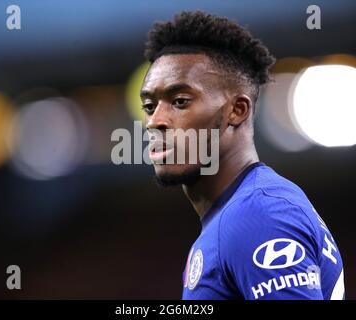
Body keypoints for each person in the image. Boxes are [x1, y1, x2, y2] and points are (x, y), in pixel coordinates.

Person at [140, 10, 344, 300]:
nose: (154, 121)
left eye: (180, 101)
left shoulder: (259, 214)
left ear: (237, 111)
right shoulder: (234, 215)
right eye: (149, 106)